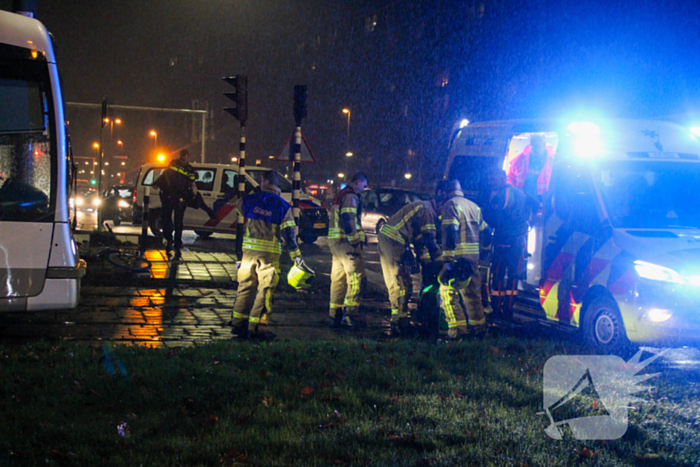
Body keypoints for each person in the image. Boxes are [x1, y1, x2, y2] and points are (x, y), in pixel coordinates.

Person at [230, 170, 305, 340]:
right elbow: (289, 236)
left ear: (263, 181)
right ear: (277, 183)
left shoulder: (249, 200)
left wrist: (257, 196)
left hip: (248, 254)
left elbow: (239, 207)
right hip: (269, 256)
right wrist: (296, 257)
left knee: (245, 288)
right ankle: (256, 328)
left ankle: (238, 324)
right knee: (265, 291)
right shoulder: (284, 206)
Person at [378, 198, 442, 336]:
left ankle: (398, 318)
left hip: (389, 240)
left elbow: (420, 242)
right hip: (395, 242)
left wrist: (425, 263)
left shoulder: (421, 207)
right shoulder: (428, 211)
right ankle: (399, 322)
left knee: (396, 283)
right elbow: (429, 240)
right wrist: (439, 261)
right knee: (402, 284)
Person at [436, 179, 489, 339]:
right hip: (472, 260)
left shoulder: (450, 205)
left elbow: (451, 231)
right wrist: (484, 251)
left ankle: (457, 331)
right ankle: (478, 330)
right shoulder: (474, 206)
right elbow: (486, 231)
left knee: (447, 294)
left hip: (458, 259)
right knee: (472, 295)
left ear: (445, 192)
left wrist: (448, 259)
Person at [482, 168, 529, 318]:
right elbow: (532, 209)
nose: (491, 184)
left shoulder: (500, 196)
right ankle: (509, 307)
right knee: (513, 275)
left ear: (502, 178)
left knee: (498, 275)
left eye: (493, 180)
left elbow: (493, 220)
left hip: (503, 241)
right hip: (518, 242)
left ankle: (496, 308)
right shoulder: (520, 192)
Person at [328, 171, 369, 328]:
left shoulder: (341, 195)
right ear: (357, 181)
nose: (364, 189)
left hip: (336, 243)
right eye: (363, 185)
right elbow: (348, 220)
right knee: (357, 278)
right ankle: (351, 315)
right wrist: (354, 241)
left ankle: (335, 314)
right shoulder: (351, 197)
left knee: (338, 280)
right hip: (347, 244)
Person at [152, 149, 196, 258]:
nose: (183, 159)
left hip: (171, 198)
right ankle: (174, 244)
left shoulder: (175, 166)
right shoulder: (187, 168)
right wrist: (193, 194)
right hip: (177, 198)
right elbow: (193, 184)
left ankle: (172, 243)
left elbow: (160, 181)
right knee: (175, 222)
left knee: (172, 221)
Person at [506, 133, 555, 203]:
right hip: (522, 203)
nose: (534, 148)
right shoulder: (518, 160)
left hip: (544, 204)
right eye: (532, 145)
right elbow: (510, 179)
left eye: (537, 145)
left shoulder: (553, 161)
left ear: (544, 144)